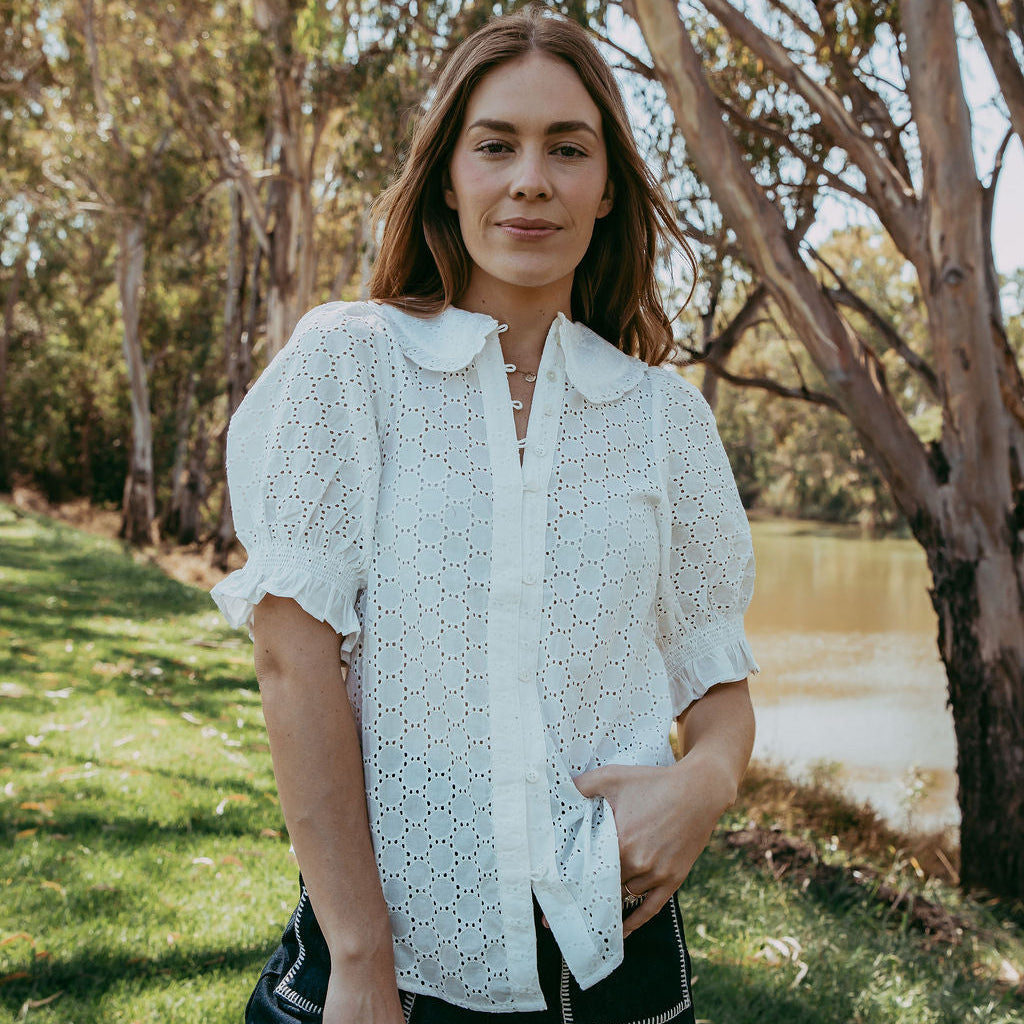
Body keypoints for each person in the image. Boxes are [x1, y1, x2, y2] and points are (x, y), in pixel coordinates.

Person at [212, 7, 758, 1023]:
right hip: (381, 962)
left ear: (605, 192)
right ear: (449, 177)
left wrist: (705, 784)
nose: (530, 179)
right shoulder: (349, 365)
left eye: (567, 149)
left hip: (614, 971)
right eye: (495, 145)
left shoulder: (663, 420)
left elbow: (718, 680)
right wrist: (362, 958)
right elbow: (292, 659)